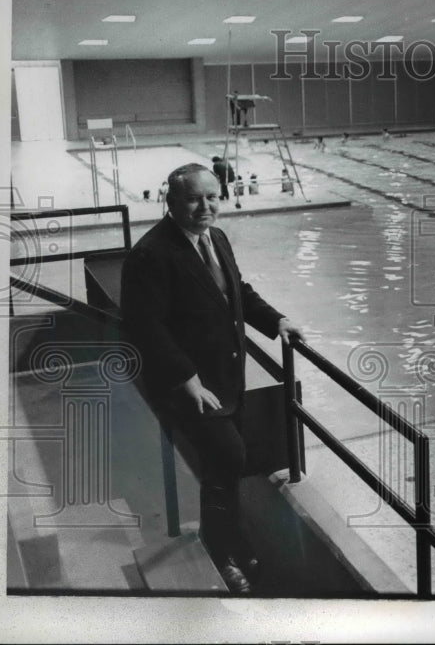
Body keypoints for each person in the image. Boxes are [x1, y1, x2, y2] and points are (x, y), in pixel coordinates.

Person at [120, 163, 304, 594]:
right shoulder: (150, 255)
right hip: (188, 386)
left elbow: (236, 291)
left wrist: (276, 320)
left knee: (226, 466)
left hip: (226, 378)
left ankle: (229, 538)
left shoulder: (216, 238)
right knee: (228, 458)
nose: (206, 206)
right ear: (171, 201)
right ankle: (219, 550)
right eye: (194, 198)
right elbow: (147, 329)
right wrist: (189, 382)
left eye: (213, 197)